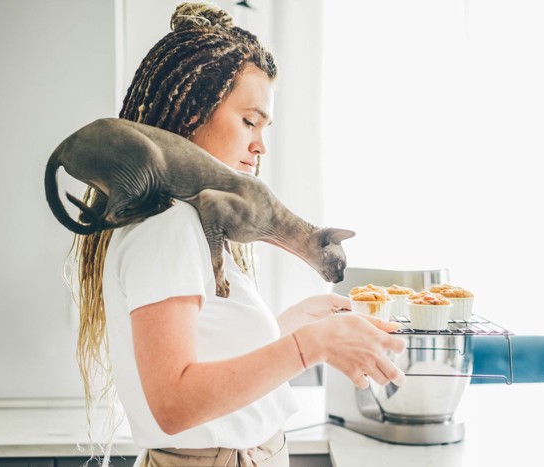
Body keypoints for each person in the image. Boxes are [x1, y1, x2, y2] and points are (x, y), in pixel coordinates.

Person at [71, 2, 407, 466]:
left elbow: (205, 359)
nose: (259, 145)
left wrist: (290, 324)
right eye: (248, 121)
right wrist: (315, 344)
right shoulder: (167, 228)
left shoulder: (189, 221)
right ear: (192, 113)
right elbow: (173, 403)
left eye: (264, 127)